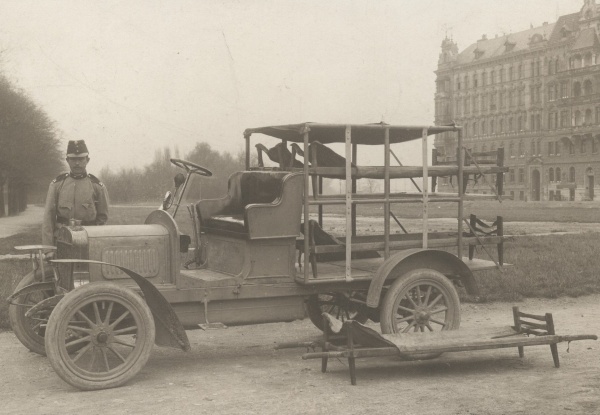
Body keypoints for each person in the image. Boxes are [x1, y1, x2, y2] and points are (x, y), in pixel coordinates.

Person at [42, 140, 109, 246]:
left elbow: (103, 219)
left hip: (88, 241)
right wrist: (48, 248)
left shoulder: (97, 186)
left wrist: (97, 245)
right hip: (61, 240)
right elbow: (48, 218)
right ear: (67, 160)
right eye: (73, 159)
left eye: (81, 159)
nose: (77, 163)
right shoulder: (57, 185)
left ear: (87, 160)